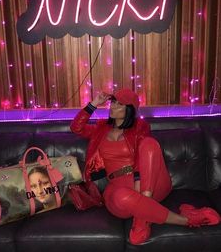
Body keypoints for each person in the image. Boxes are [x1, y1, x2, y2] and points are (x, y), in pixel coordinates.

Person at [70, 88, 220, 245]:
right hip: (117, 186)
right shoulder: (100, 129)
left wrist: (138, 185)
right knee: (121, 196)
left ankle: (142, 216)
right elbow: (76, 127)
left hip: (150, 183)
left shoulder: (139, 127)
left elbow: (144, 155)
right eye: (113, 102)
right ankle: (186, 219)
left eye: (119, 104)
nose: (113, 106)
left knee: (149, 144)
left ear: (129, 110)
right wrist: (94, 104)